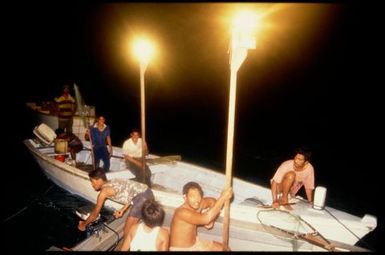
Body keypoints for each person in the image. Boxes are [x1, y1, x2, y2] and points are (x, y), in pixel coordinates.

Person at [78, 168, 154, 237]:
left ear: (99, 180)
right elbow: (132, 192)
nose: (92, 184)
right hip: (148, 192)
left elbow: (95, 214)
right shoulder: (114, 181)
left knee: (127, 230)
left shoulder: (104, 192)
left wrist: (83, 225)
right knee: (133, 224)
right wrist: (123, 209)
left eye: (92, 181)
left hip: (141, 199)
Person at [169, 181, 233, 251]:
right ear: (185, 197)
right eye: (192, 196)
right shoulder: (181, 212)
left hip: (195, 244)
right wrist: (223, 198)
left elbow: (212, 202)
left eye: (198, 195)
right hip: (181, 249)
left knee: (225, 249)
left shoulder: (197, 203)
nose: (197, 199)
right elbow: (206, 219)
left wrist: (212, 221)